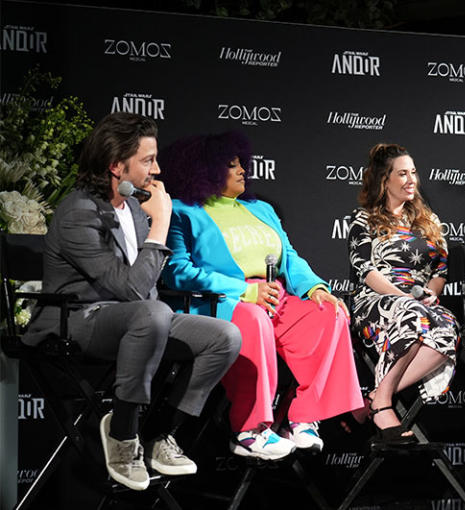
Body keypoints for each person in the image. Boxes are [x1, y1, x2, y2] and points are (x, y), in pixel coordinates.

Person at [23, 113, 242, 490]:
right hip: (79, 320)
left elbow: (145, 295)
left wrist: (152, 222)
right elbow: (131, 291)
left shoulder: (137, 208)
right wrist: (160, 224)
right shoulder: (78, 213)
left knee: (224, 337)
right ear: (114, 165)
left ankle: (159, 434)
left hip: (142, 319)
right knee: (153, 312)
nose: (157, 170)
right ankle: (124, 434)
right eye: (147, 160)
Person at [158, 132, 363, 460]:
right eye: (231, 165)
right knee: (253, 319)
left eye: (242, 163)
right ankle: (249, 430)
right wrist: (245, 291)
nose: (242, 170)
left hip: (273, 297)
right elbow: (177, 272)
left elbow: (290, 257)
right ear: (205, 171)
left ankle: (303, 417)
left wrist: (316, 288)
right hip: (223, 302)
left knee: (329, 313)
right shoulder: (183, 211)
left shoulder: (262, 209)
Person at [348, 143, 459, 444]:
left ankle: (374, 396)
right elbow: (365, 270)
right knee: (413, 316)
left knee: (448, 328)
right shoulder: (364, 219)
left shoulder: (429, 221)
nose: (411, 180)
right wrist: (402, 296)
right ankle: (383, 408)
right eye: (402, 174)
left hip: (419, 301)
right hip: (376, 300)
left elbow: (440, 272)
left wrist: (432, 295)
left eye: (413, 172)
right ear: (385, 181)